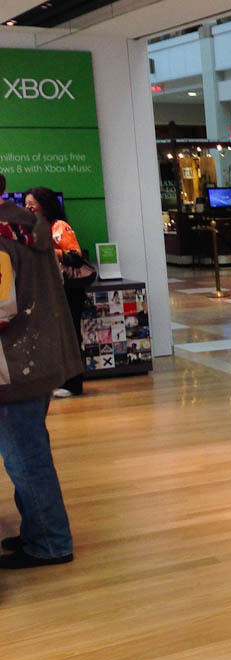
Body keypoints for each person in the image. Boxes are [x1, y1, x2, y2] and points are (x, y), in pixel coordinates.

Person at [0, 174, 77, 568]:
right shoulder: (27, 224)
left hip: (11, 365)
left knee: (24, 458)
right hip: (36, 356)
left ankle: (50, 542)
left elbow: (0, 309)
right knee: (28, 452)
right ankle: (37, 531)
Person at [26, 187, 91, 398]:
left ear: (45, 206)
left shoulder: (59, 227)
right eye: (26, 203)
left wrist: (47, 249)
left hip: (68, 289)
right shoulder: (35, 227)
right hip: (52, 289)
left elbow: (75, 256)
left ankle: (73, 383)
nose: (28, 207)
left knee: (69, 334)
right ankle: (63, 379)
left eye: (32, 204)